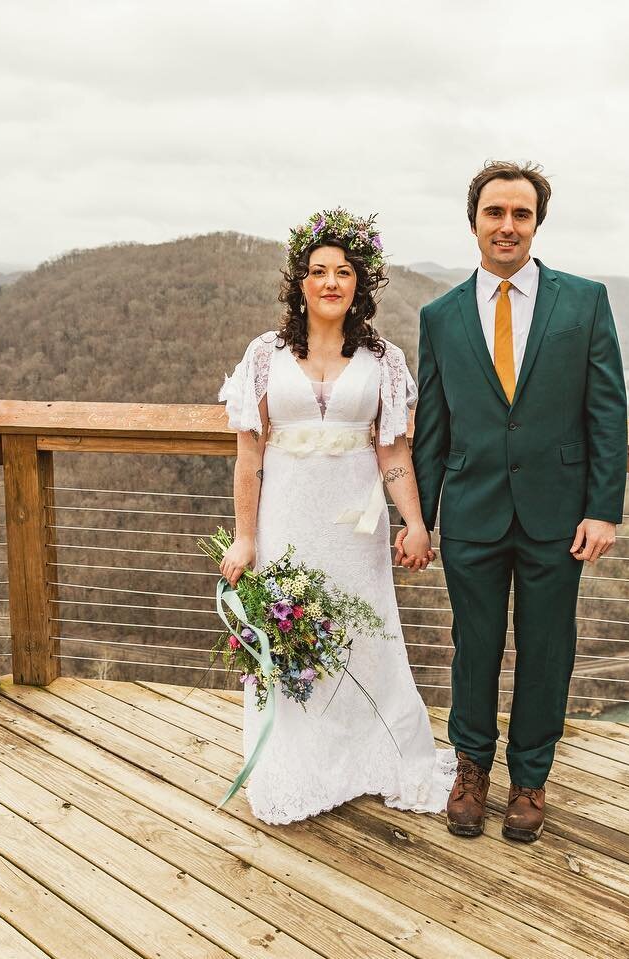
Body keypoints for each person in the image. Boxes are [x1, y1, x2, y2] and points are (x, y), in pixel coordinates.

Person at [412, 161, 628, 842]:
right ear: (474, 219)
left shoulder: (583, 302)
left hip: (557, 514)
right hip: (472, 511)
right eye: (495, 213)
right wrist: (420, 517)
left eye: (521, 214)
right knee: (472, 647)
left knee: (546, 648)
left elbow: (607, 412)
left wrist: (604, 507)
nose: (507, 226)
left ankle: (530, 776)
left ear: (537, 222)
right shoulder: (440, 316)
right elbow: (434, 426)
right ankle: (471, 769)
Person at [216, 208, 454, 825]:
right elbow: (248, 458)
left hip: (358, 524)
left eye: (343, 272)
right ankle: (297, 766)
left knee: (365, 634)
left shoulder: (385, 360)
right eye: (318, 271)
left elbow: (394, 452)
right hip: (286, 522)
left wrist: (416, 523)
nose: (330, 282)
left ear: (360, 284)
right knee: (292, 640)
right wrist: (245, 539)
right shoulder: (264, 357)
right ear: (300, 282)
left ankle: (371, 758)